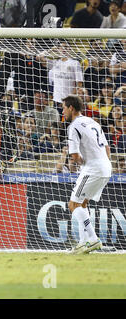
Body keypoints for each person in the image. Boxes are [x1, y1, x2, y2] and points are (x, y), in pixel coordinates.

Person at [61, 95, 111, 254]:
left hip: (93, 168)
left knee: (73, 204)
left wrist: (85, 164)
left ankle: (93, 239)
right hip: (106, 167)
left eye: (63, 108)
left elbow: (74, 156)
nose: (63, 111)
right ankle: (84, 242)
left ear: (71, 108)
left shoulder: (74, 126)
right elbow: (107, 148)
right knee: (82, 204)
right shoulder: (93, 122)